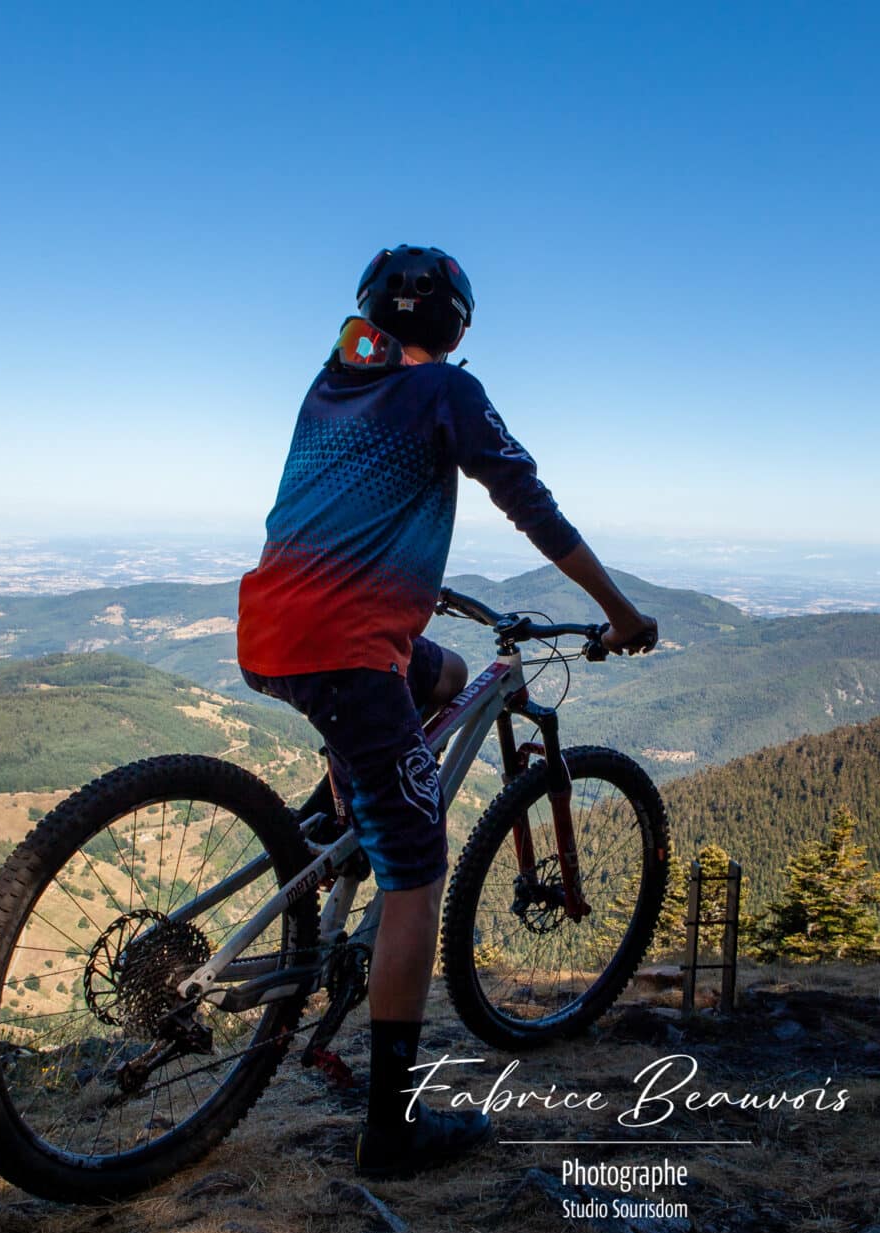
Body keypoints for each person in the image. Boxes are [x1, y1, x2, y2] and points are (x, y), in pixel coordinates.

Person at [236, 245, 657, 1178]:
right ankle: (392, 1130)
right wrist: (621, 613)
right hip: (344, 653)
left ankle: (327, 820)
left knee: (445, 670)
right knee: (415, 877)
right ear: (458, 325)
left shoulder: (333, 382)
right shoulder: (449, 396)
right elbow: (531, 506)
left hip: (270, 629)